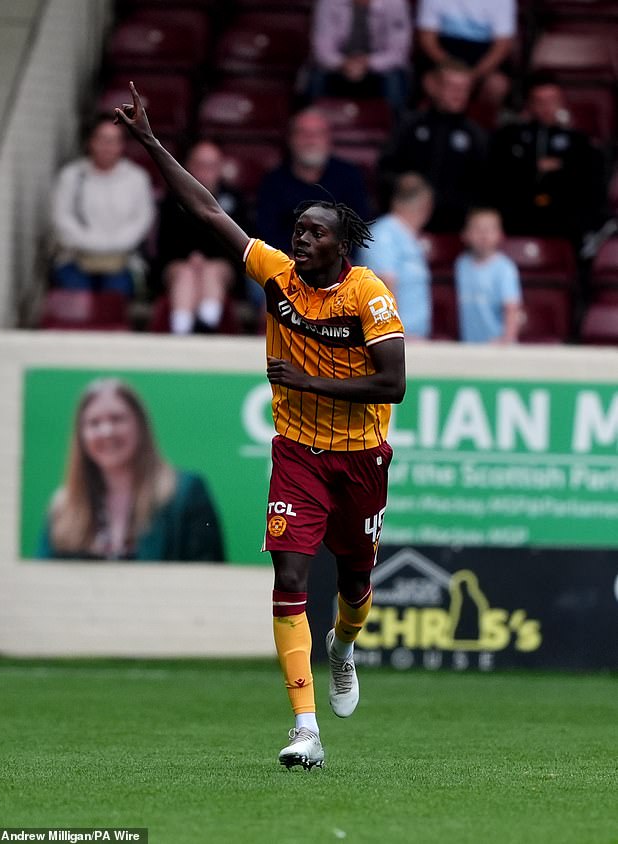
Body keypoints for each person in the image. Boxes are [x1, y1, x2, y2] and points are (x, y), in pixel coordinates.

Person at [115, 82, 405, 769]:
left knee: (357, 586)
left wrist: (308, 379)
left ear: (341, 245)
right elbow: (208, 209)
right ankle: (305, 726)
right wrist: (153, 143)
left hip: (361, 454)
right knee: (290, 569)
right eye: (297, 230)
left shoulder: (369, 294)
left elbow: (393, 382)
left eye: (313, 233)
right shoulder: (277, 275)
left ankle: (344, 648)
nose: (298, 240)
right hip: (298, 452)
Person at [38, 378, 225, 562]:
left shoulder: (184, 494)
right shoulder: (62, 507)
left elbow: (208, 580)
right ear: (81, 436)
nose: (107, 431)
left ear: (141, 425)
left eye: (117, 419)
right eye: (94, 423)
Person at [489, 73, 609, 249]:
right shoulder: (509, 136)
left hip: (564, 216)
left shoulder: (579, 141)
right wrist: (534, 166)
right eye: (539, 101)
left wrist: (559, 166)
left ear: (562, 102)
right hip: (520, 214)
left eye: (552, 100)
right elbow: (501, 175)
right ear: (529, 104)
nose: (546, 107)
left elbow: (589, 179)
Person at [50, 114, 155, 297]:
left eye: (113, 141)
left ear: (122, 145)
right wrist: (91, 243)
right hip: (76, 257)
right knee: (74, 295)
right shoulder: (71, 176)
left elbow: (142, 220)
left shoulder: (137, 178)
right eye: (102, 139)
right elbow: (62, 218)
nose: (107, 146)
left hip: (123, 259)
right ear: (91, 142)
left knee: (116, 294)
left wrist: (112, 245)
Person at [378, 61, 488, 232]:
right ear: (434, 86)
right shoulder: (409, 125)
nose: (459, 94)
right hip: (408, 220)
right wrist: (403, 180)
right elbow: (384, 170)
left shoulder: (475, 134)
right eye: (452, 86)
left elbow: (483, 188)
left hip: (456, 225)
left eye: (465, 88)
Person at [155, 140, 250, 334]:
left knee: (211, 271)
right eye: (200, 164)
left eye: (212, 165)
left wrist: (204, 258)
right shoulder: (173, 198)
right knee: (186, 274)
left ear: (220, 167)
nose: (206, 171)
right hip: (179, 264)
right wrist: (191, 256)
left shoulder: (234, 199)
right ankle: (181, 331)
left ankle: (207, 325)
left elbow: (240, 243)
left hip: (222, 267)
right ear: (188, 166)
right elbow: (165, 242)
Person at [257, 108, 371, 254]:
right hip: (286, 265)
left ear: (328, 140)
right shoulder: (273, 183)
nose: (310, 140)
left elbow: (358, 229)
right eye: (303, 133)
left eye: (318, 134)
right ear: (290, 140)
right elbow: (267, 235)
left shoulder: (349, 176)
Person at [305, 0, 412, 118]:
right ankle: (311, 125)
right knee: (318, 75)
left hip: (378, 67)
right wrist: (344, 63)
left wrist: (367, 63)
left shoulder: (396, 3)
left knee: (395, 79)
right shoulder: (328, 2)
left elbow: (398, 53)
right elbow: (322, 51)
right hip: (340, 65)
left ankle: (398, 129)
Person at [359, 172, 434, 340]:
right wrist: (394, 335)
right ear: (426, 206)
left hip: (415, 339)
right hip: (394, 340)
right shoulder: (384, 234)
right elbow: (385, 285)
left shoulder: (409, 236)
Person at [416, 0, 516, 107]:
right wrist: (452, 70)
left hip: (483, 63)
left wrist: (474, 75)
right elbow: (427, 40)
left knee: (497, 85)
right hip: (443, 60)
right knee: (430, 82)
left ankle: (480, 122)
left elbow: (502, 47)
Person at [455, 208, 522, 343]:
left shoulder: (505, 268)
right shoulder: (461, 265)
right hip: (468, 345)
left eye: (490, 230)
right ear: (465, 234)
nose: (484, 235)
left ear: (500, 235)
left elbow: (512, 309)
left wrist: (506, 341)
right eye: (478, 230)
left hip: (497, 344)